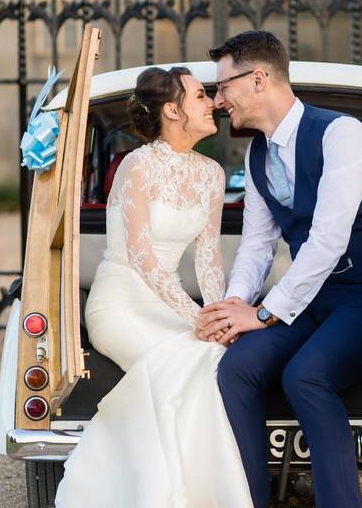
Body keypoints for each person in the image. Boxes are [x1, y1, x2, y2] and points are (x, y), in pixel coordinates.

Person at [197, 30, 362, 508]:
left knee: (306, 375)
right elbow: (257, 244)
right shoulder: (257, 154)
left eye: (223, 87)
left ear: (258, 79)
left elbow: (327, 240)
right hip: (315, 299)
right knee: (237, 367)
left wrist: (263, 314)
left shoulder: (343, 133)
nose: (219, 101)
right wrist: (238, 302)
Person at [55, 66, 252, 508]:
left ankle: (198, 491)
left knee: (216, 356)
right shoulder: (136, 167)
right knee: (189, 361)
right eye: (201, 96)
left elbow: (208, 256)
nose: (213, 104)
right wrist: (196, 316)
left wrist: (219, 314)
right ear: (172, 109)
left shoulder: (212, 174)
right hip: (120, 302)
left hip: (169, 304)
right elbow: (142, 257)